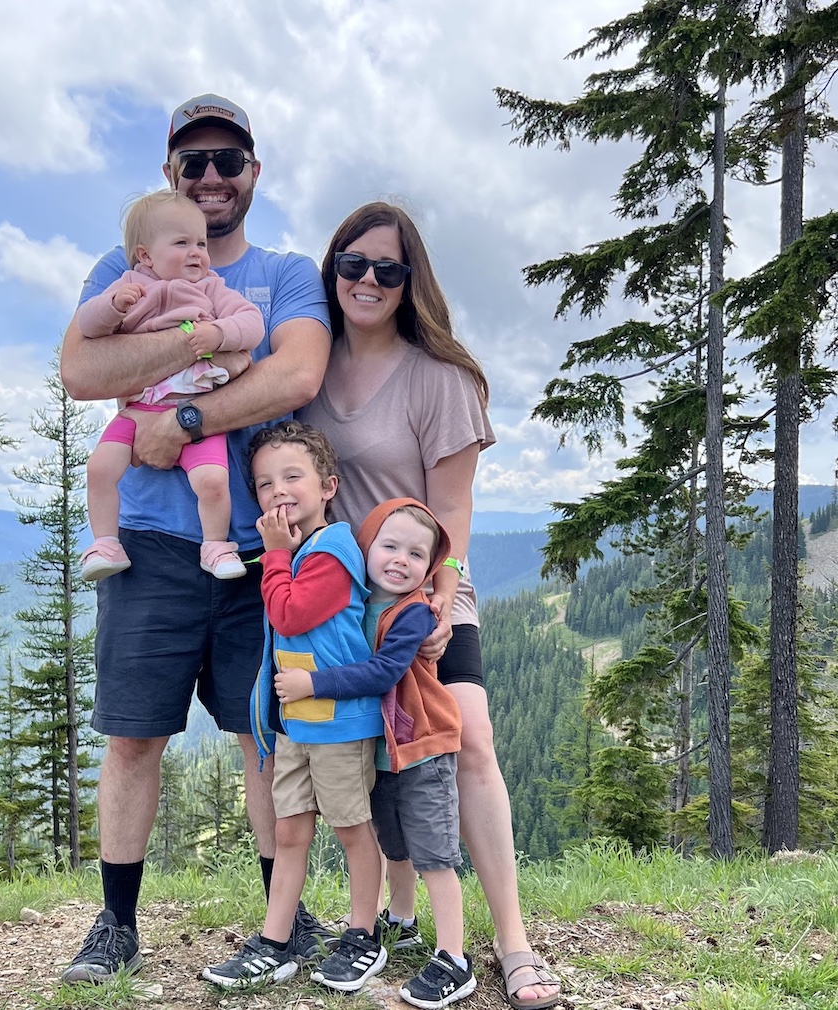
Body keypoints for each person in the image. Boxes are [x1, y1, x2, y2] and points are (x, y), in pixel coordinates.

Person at [58, 93, 332, 984]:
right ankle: (115, 923)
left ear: (253, 172)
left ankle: (283, 916)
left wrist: (180, 413)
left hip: (263, 549)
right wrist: (199, 345)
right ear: (172, 174)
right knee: (133, 735)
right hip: (144, 540)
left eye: (227, 161)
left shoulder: (289, 272)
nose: (210, 178)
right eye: (194, 163)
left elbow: (296, 370)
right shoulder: (124, 262)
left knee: (266, 737)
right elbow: (82, 370)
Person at [298, 202, 562, 1009]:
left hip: (424, 594)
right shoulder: (306, 367)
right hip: (340, 606)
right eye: (354, 263)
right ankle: (380, 919)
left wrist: (439, 605)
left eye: (387, 268)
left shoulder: (438, 379)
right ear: (333, 267)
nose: (368, 280)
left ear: (411, 282)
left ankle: (511, 942)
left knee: (467, 741)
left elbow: (452, 521)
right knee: (361, 758)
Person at [203, 420, 386, 992]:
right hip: (296, 725)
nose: (278, 490)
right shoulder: (295, 550)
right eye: (263, 484)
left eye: (292, 477)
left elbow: (291, 615)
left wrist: (276, 555)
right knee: (288, 833)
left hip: (341, 721)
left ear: (327, 487)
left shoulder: (333, 549)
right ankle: (276, 940)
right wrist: (280, 555)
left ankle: (363, 936)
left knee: (353, 828)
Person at [295, 497, 477, 1007]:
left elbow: (382, 673)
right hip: (382, 750)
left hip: (421, 746)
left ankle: (453, 957)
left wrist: (314, 683)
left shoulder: (414, 612)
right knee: (391, 841)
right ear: (366, 547)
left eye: (416, 555)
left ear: (429, 567)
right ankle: (401, 920)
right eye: (389, 546)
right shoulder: (356, 599)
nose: (400, 560)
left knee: (434, 853)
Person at [77, 191, 264, 582]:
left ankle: (215, 545)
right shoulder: (129, 286)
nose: (197, 252)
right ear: (145, 256)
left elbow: (251, 323)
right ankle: (106, 542)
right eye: (182, 243)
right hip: (139, 410)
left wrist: (219, 333)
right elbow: (87, 327)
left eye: (201, 243)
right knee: (100, 469)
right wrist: (112, 306)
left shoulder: (211, 289)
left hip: (196, 406)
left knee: (212, 481)